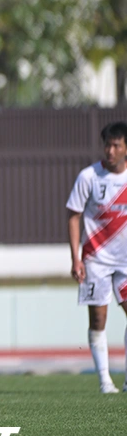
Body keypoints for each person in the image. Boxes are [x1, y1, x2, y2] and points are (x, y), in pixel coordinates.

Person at [66, 120, 127, 394]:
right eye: (107, 145)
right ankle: (105, 380)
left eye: (116, 145)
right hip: (96, 259)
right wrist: (76, 257)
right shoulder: (89, 176)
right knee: (98, 320)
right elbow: (74, 215)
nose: (110, 150)